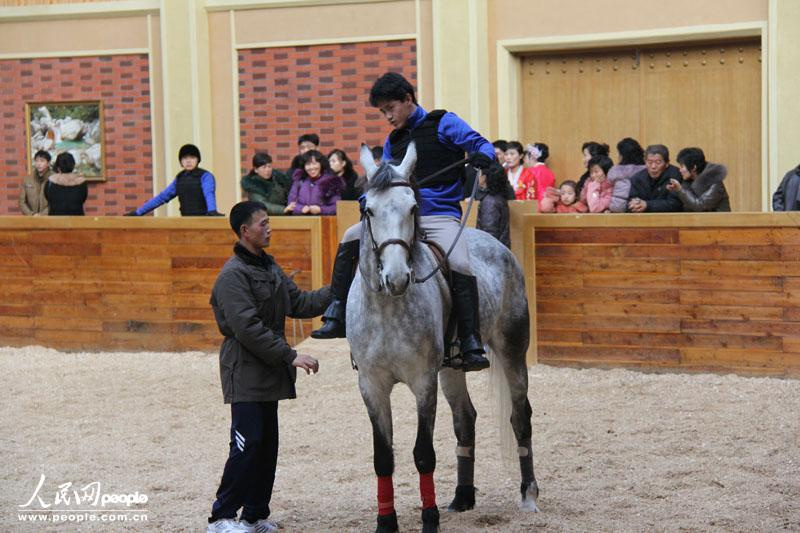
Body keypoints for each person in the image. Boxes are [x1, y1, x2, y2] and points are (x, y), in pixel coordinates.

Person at [310, 72, 496, 372]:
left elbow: (482, 144)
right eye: (382, 112)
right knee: (349, 235)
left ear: (407, 99)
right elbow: (382, 182)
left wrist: (484, 156)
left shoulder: (443, 122)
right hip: (397, 218)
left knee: (460, 260)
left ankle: (471, 341)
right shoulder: (392, 141)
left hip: (438, 215)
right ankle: (337, 311)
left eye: (390, 109)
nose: (387, 116)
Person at [206, 201, 330, 533]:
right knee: (246, 445)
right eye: (263, 223)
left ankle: (255, 514)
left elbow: (301, 303)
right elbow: (248, 328)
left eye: (269, 221)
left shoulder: (269, 268)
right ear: (245, 231)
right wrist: (291, 355)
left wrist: (340, 289)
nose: (269, 227)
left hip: (268, 373)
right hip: (244, 371)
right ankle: (221, 517)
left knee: (267, 447)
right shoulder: (233, 275)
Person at [128, 144, 221, 216]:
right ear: (181, 161)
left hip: (204, 220)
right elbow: (162, 197)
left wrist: (212, 210)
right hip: (186, 221)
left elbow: (209, 193)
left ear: (198, 160)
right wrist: (138, 212)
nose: (188, 161)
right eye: (185, 158)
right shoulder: (179, 178)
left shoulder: (205, 176)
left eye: (192, 158)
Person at [667, 147, 731, 212]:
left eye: (682, 166)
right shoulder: (688, 181)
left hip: (720, 221)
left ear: (694, 167)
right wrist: (675, 191)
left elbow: (700, 206)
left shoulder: (714, 182)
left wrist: (680, 190)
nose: (679, 170)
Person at [284, 150, 344, 216]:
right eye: (308, 164)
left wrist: (321, 209)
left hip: (323, 222)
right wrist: (301, 209)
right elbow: (291, 204)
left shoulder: (330, 182)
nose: (312, 167)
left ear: (321, 164)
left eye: (315, 163)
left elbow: (336, 207)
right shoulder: (299, 180)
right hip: (301, 222)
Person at [627, 144, 683, 213]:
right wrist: (635, 205)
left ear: (667, 163)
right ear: (645, 162)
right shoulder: (637, 178)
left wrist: (647, 205)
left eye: (658, 162)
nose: (653, 166)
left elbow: (675, 204)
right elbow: (630, 202)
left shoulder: (676, 175)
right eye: (649, 162)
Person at [476, 163, 510, 248]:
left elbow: (489, 235)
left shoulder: (490, 202)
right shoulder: (498, 198)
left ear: (484, 178)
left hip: (491, 254)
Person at [607, 138, 645, 213]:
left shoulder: (615, 171)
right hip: (638, 206)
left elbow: (609, 183)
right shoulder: (645, 170)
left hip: (617, 206)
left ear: (622, 155)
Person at [517, 142, 556, 209]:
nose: (524, 160)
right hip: (547, 207)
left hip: (532, 207)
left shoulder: (529, 172)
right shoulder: (550, 173)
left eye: (525, 157)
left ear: (532, 156)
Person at [19, 150, 52, 215]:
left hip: (48, 219)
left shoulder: (53, 179)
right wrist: (32, 214)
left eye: (42, 161)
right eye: (36, 161)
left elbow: (55, 202)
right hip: (31, 218)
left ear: (48, 163)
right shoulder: (27, 179)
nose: (38, 164)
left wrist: (42, 215)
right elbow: (22, 202)